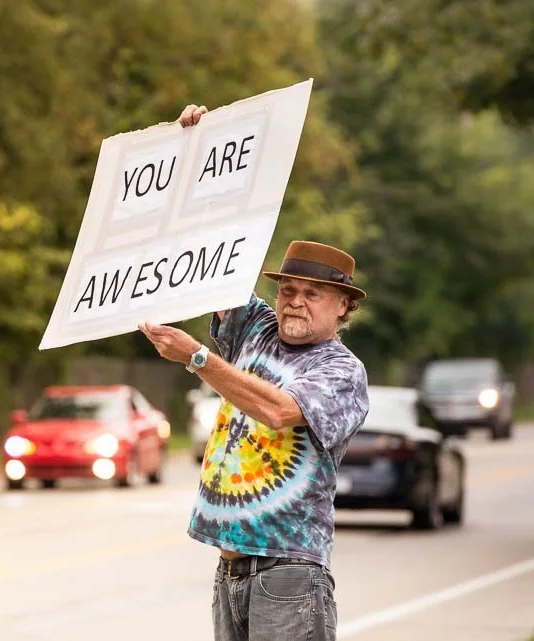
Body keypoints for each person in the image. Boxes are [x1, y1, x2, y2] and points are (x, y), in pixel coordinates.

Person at [136, 104, 370, 641]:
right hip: (231, 568)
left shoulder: (341, 370)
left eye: (313, 294)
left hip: (289, 573)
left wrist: (198, 357)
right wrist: (198, 155)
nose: (295, 301)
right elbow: (213, 250)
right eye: (287, 290)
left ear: (342, 308)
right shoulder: (255, 329)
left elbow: (278, 410)